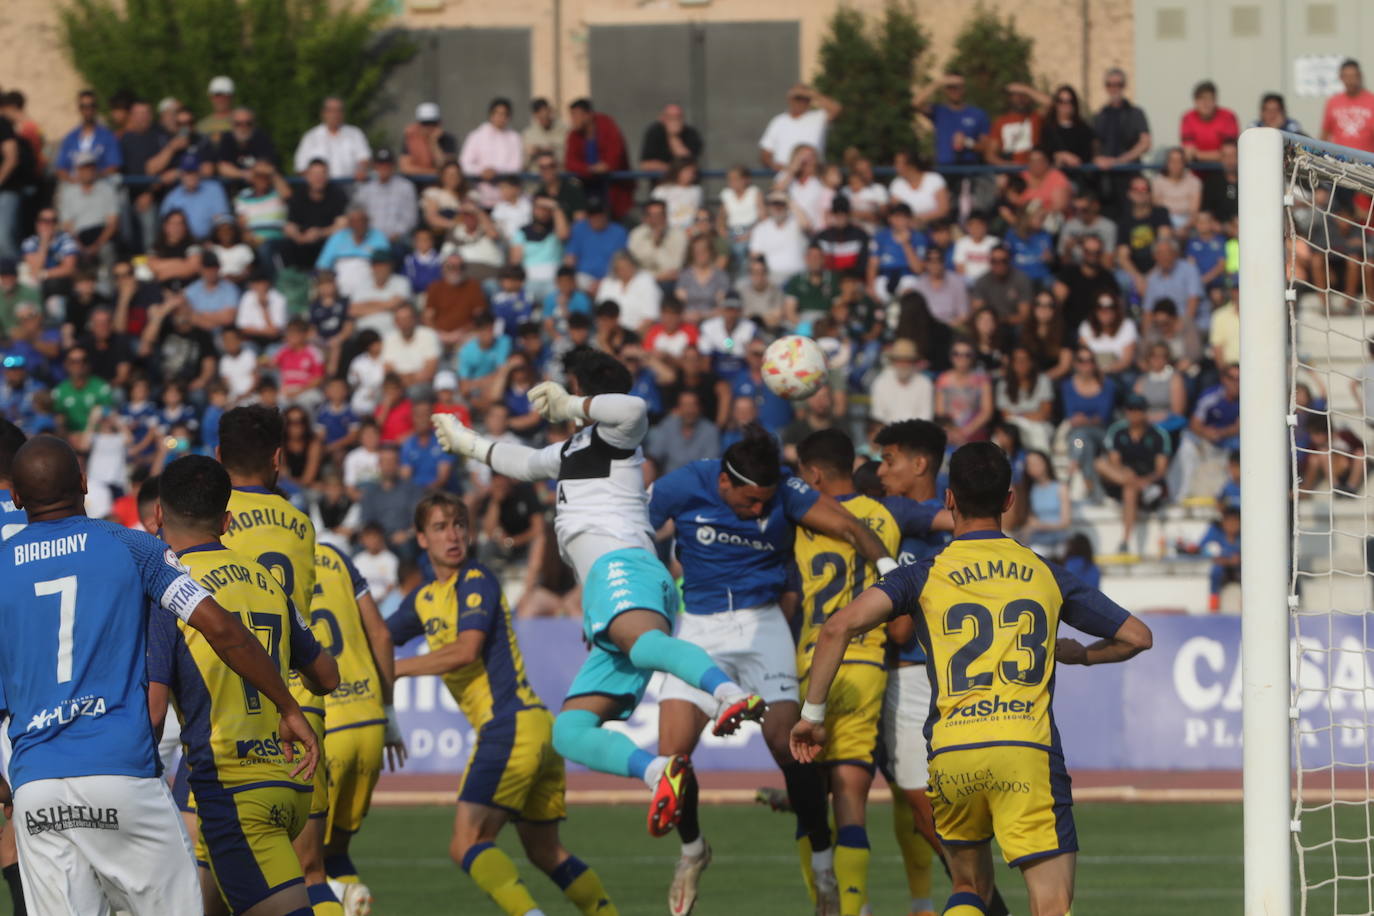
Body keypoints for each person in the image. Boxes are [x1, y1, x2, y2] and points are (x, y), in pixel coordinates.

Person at [791, 441, 1154, 916]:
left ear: (949, 499)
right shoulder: (1045, 572)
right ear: (1009, 500)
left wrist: (813, 716)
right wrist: (1083, 656)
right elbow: (1138, 637)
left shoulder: (924, 574)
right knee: (1051, 902)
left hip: (953, 750)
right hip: (1027, 749)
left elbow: (838, 627)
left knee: (969, 885)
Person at [432, 347, 768, 835]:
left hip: (624, 567)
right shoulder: (574, 450)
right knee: (569, 732)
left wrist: (571, 404)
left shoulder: (618, 433)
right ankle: (658, 771)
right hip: (607, 592)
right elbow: (524, 463)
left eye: (568, 387)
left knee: (646, 646)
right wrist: (469, 443)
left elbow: (631, 408)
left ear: (582, 390)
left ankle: (730, 691)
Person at [0, 436, 318, 915]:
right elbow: (222, 629)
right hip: (119, 773)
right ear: (85, 485)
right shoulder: (133, 547)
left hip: (37, 787)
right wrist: (288, 705)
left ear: (18, 498)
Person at [648, 426, 899, 916]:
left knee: (791, 745)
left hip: (763, 623)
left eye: (767, 502)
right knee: (671, 760)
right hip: (699, 626)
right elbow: (633, 535)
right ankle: (693, 850)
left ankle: (824, 863)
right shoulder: (682, 485)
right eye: (750, 501)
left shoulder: (787, 489)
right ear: (723, 483)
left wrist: (891, 571)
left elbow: (850, 526)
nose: (761, 511)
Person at [387, 492, 616, 915]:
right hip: (535, 730)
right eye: (440, 527)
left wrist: (396, 669)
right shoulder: (422, 599)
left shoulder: (476, 579)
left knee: (467, 843)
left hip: (509, 726)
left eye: (459, 525)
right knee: (546, 851)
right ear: (421, 538)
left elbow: (466, 650)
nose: (453, 535)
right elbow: (378, 636)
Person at [147, 455, 340, 916]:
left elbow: (153, 713)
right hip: (289, 783)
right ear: (227, 521)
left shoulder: (166, 588)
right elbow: (326, 676)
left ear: (157, 515)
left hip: (232, 790)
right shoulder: (268, 582)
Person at [216, 405, 344, 915]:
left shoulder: (210, 516)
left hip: (229, 708)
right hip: (300, 706)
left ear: (219, 457)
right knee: (309, 870)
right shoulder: (300, 524)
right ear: (277, 457)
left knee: (215, 870)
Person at [784, 429, 904, 916]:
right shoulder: (884, 518)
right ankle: (855, 909)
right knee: (852, 798)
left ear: (812, 474)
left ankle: (825, 907)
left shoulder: (795, 519)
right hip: (865, 664)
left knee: (810, 802)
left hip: (808, 666)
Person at [313, 538, 402, 910]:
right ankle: (347, 892)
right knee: (336, 854)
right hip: (368, 719)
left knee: (299, 866)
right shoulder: (335, 556)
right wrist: (390, 716)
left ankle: (338, 897)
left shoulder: (255, 555)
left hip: (322, 726)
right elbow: (381, 634)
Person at [1096, 394, 1172, 554]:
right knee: (1100, 464)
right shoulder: (1117, 431)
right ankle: (1133, 485)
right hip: (1123, 478)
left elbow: (1160, 470)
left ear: (1145, 412)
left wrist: (1143, 481)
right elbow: (1114, 462)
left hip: (1149, 484)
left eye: (1138, 410)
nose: (1134, 413)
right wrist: (1128, 475)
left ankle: (1125, 539)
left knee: (1130, 489)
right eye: (1131, 409)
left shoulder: (1158, 434)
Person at [565, 99, 633, 220]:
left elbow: (616, 155)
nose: (573, 119)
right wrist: (590, 169)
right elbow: (570, 162)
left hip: (612, 188)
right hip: (586, 188)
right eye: (572, 115)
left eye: (576, 115)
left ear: (588, 115)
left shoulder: (607, 126)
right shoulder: (574, 135)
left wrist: (606, 166)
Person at [1091, 68, 1151, 204]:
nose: (1114, 88)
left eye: (1118, 84)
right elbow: (1094, 143)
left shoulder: (1136, 113)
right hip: (1105, 178)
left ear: (1124, 86)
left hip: (1130, 176)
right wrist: (1097, 158)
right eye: (1110, 84)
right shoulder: (1099, 115)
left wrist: (1119, 161)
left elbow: (1145, 143)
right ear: (1106, 87)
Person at [913, 72, 989, 171]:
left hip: (967, 170)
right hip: (943, 169)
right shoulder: (939, 111)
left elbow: (986, 147)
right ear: (945, 90)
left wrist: (967, 142)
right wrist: (938, 83)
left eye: (958, 87)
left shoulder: (977, 114)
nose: (954, 91)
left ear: (964, 89)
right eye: (951, 87)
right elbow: (916, 103)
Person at [759, 84, 842, 170]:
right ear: (790, 100)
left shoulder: (818, 117)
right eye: (797, 98)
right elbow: (765, 154)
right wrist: (782, 169)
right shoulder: (778, 121)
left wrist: (811, 93)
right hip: (785, 177)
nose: (800, 102)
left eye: (805, 99)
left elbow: (836, 109)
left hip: (813, 175)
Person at [461, 98, 524, 206]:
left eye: (504, 114)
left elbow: (516, 166)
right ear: (491, 115)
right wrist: (481, 171)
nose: (501, 117)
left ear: (509, 117)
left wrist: (496, 171)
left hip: (507, 200)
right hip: (480, 197)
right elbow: (464, 163)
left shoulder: (514, 138)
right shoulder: (476, 136)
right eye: (498, 113)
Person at [352, 149, 418, 247]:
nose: (384, 167)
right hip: (369, 239)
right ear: (375, 166)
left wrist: (395, 234)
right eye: (380, 164)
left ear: (393, 166)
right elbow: (357, 214)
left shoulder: (406, 187)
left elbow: (410, 219)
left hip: (397, 240)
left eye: (387, 164)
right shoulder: (366, 188)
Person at [293, 97, 371, 180]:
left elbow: (364, 158)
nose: (335, 114)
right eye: (331, 111)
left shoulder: (355, 134)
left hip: (352, 188)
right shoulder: (310, 137)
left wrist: (362, 169)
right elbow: (300, 167)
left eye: (339, 110)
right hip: (323, 191)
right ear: (323, 113)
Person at [1180, 80, 1239, 164]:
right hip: (1195, 170)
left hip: (1222, 170)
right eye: (1201, 98)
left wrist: (1197, 154)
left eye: (1209, 98)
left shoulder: (1228, 116)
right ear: (1195, 101)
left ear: (1215, 100)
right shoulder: (1187, 118)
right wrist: (1217, 154)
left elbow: (1228, 153)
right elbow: (1188, 153)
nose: (1205, 103)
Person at [1322, 59, 1374, 152]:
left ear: (1360, 76)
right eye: (1346, 76)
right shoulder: (1333, 102)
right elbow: (1325, 134)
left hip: (1367, 162)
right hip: (1340, 161)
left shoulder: (1371, 100)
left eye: (1353, 76)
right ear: (1341, 77)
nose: (1350, 80)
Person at [640, 103, 703, 174]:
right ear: (662, 118)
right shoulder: (654, 132)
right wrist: (673, 170)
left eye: (678, 117)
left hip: (686, 183)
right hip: (660, 182)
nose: (674, 121)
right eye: (670, 117)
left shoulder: (691, 133)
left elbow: (688, 163)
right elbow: (645, 165)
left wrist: (674, 137)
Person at [399, 102, 456, 177]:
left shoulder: (448, 139)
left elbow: (446, 168)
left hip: (440, 185)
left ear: (439, 123)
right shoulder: (411, 138)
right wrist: (433, 172)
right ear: (418, 124)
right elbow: (405, 168)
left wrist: (433, 143)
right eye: (425, 123)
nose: (429, 127)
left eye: (433, 123)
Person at [523, 98, 568, 167]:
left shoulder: (564, 130)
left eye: (546, 116)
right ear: (535, 115)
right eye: (540, 117)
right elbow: (523, 163)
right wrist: (532, 153)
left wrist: (553, 150)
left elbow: (569, 156)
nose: (543, 118)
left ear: (550, 111)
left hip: (558, 175)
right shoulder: (528, 134)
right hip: (536, 175)